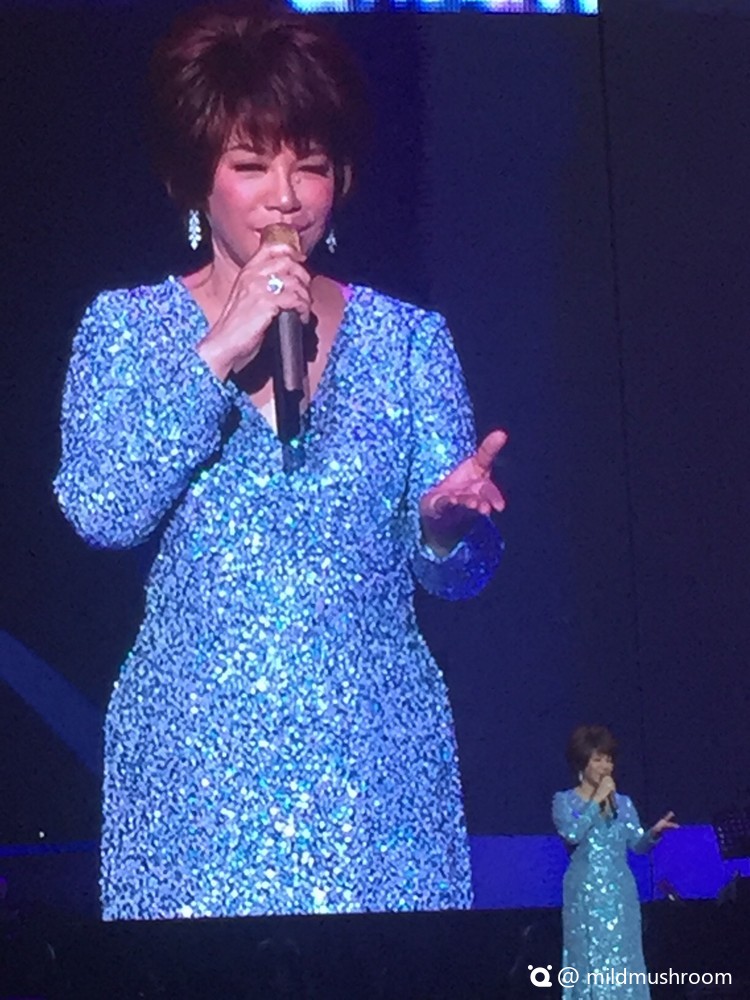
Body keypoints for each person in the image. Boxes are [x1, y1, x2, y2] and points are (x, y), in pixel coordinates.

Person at [54, 3, 507, 920]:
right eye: (251, 165)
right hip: (193, 774)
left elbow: (459, 579)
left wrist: (443, 530)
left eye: (311, 165)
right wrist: (222, 347)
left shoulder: (407, 342)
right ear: (195, 180)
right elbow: (100, 509)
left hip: (376, 768)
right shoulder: (127, 331)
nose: (286, 197)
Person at [552, 726, 678, 999]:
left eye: (608, 759)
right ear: (582, 763)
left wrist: (654, 833)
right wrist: (596, 801)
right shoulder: (564, 801)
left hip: (621, 894)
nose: (605, 766)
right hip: (584, 895)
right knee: (588, 959)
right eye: (597, 759)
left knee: (624, 959)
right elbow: (572, 834)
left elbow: (637, 845)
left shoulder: (624, 804)